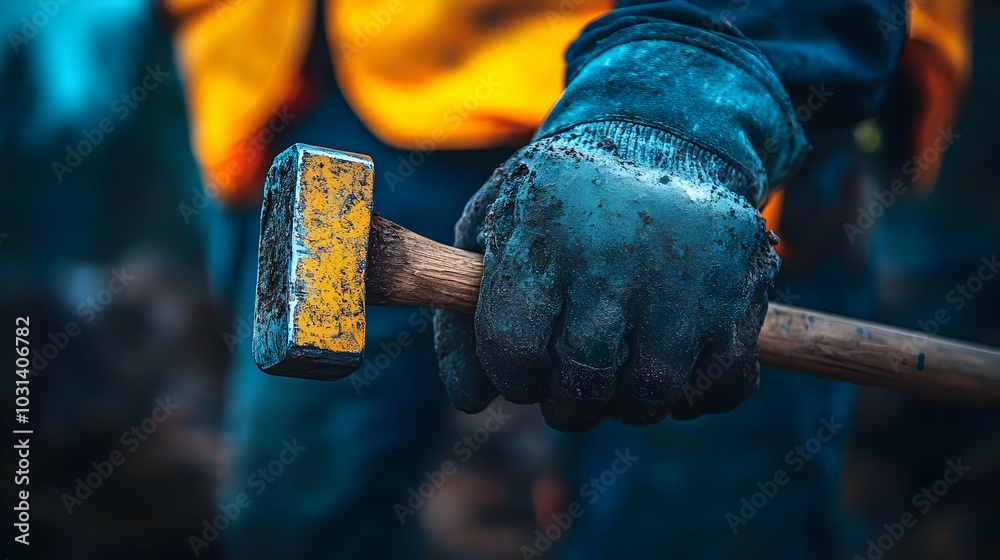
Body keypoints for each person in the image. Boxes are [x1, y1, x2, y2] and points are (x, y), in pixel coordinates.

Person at [159, 0, 968, 556]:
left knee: (697, 527)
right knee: (295, 519)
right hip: (360, 83)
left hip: (726, 74)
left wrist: (686, 104)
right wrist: (259, 104)